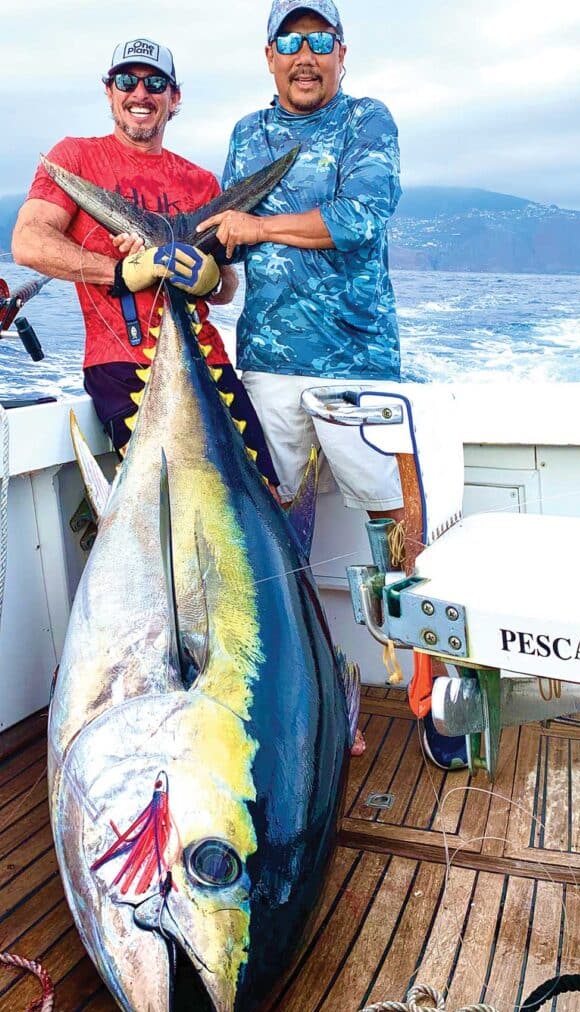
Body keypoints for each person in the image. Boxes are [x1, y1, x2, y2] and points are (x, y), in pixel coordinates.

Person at [199, 1, 467, 769]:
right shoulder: (247, 136)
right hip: (267, 365)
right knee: (271, 534)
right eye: (291, 41)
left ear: (341, 55)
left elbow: (360, 216)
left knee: (399, 530)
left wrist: (255, 228)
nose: (305, 55)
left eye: (320, 41)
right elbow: (225, 237)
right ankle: (282, 703)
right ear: (269, 54)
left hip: (358, 368)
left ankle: (433, 700)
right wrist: (202, 270)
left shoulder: (367, 120)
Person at [11, 37, 279, 490]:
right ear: (109, 90)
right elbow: (29, 242)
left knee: (264, 494)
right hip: (122, 365)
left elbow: (228, 286)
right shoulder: (76, 157)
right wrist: (121, 271)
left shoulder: (200, 181)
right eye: (127, 81)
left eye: (155, 83)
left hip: (208, 362)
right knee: (176, 503)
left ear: (174, 98)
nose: (141, 93)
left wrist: (210, 279)